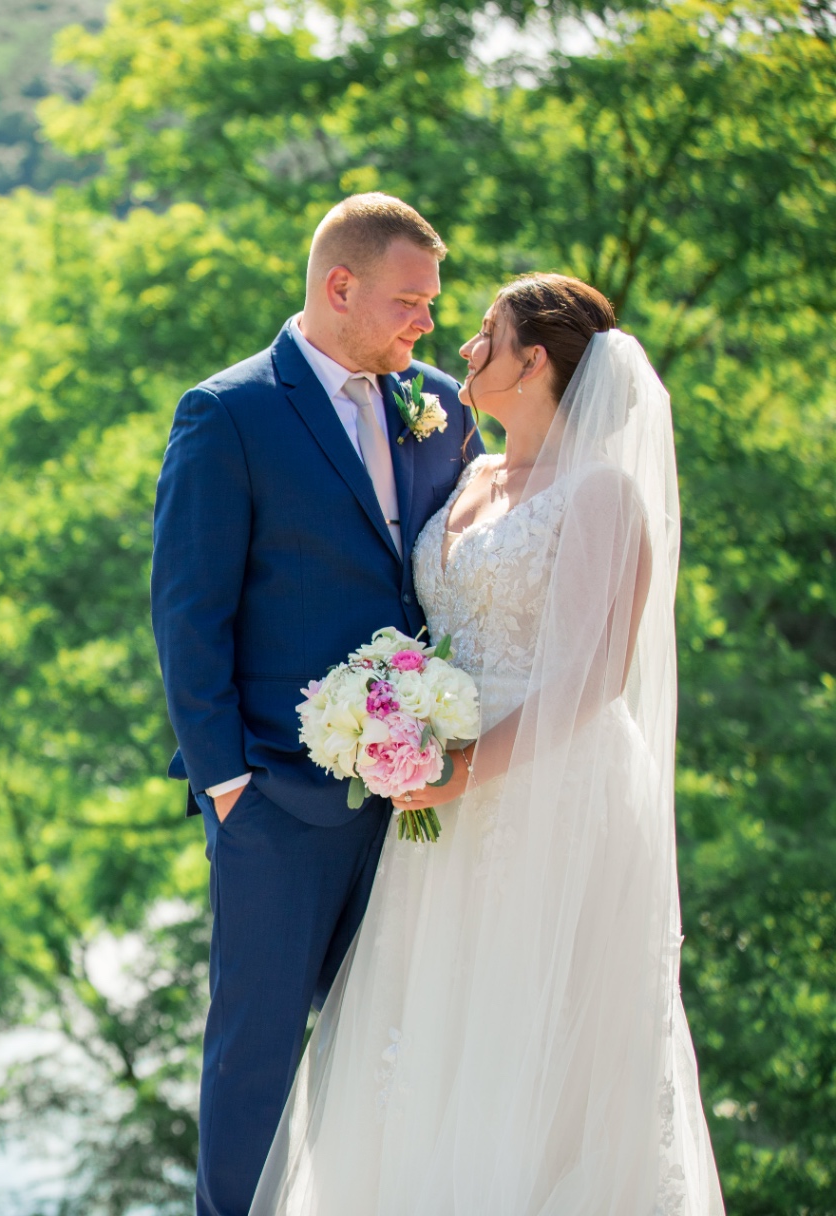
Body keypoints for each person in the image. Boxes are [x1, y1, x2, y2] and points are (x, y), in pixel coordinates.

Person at [250, 275, 724, 1214]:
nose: (464, 349)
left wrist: (469, 767)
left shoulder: (600, 495)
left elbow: (591, 678)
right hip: (442, 795)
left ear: (533, 360)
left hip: (550, 791)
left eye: (485, 335)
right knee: (432, 1024)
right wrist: (396, 726)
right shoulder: (470, 472)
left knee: (537, 1032)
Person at [150, 192, 481, 1216]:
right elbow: (188, 611)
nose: (427, 323)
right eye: (408, 301)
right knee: (255, 1054)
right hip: (275, 805)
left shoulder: (435, 403)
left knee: (393, 1046)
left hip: (418, 802)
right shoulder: (229, 411)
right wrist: (229, 783)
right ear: (340, 287)